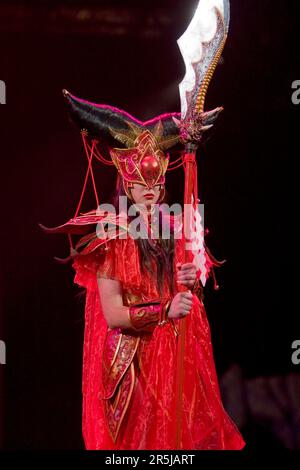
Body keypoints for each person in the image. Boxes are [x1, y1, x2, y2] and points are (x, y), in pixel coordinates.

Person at [41, 90, 245, 450]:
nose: (149, 190)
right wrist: (165, 309)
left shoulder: (179, 230)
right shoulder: (113, 235)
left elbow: (193, 289)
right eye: (140, 183)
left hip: (175, 358)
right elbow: (114, 314)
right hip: (134, 364)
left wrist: (190, 284)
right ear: (126, 181)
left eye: (155, 183)